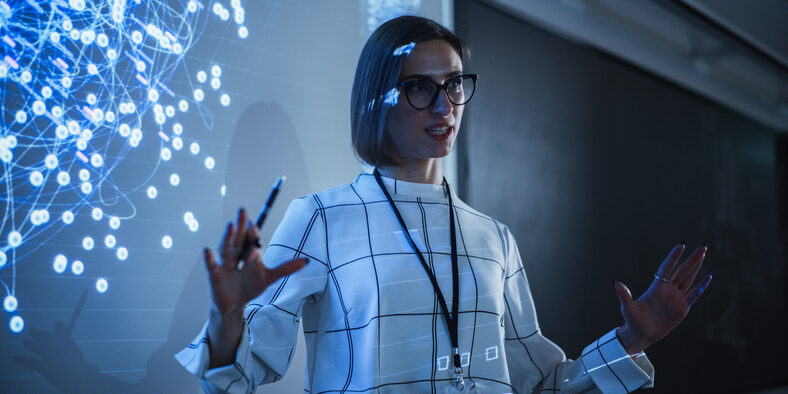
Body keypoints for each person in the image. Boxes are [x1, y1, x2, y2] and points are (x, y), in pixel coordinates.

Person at [176, 16, 712, 393]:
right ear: (377, 98)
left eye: (454, 85)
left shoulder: (493, 237)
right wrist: (227, 318)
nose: (444, 106)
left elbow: (539, 383)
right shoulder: (321, 217)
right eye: (420, 88)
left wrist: (632, 338)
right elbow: (236, 376)